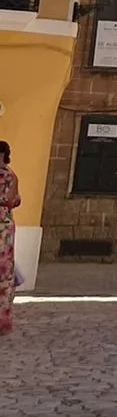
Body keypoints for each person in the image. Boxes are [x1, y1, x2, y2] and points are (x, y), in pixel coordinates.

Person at [0, 140, 17, 334]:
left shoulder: (9, 175)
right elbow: (15, 200)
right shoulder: (12, 175)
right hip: (5, 222)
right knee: (4, 272)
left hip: (3, 224)